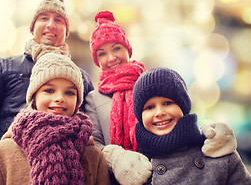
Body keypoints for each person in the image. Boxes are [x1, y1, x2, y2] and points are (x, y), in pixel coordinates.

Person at [85, 10, 238, 185]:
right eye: (102, 53)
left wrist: (210, 136)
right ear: (96, 60)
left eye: (116, 48)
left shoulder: (150, 83)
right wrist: (117, 158)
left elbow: (181, 120)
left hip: (161, 167)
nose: (111, 58)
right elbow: (94, 145)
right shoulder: (94, 98)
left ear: (127, 49)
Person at [0, 0, 94, 185]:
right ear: (32, 28)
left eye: (58, 20)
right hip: (12, 172)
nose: (50, 25)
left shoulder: (81, 78)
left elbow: (92, 133)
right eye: (43, 18)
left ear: (66, 31)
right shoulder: (5, 68)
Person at [0, 53, 110, 184]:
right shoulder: (0, 154)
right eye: (49, 90)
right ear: (34, 97)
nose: (60, 98)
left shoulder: (93, 156)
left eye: (69, 92)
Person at [132, 67, 251, 184]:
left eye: (167, 103)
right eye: (149, 107)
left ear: (183, 107)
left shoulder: (218, 153)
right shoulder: (134, 167)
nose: (159, 113)